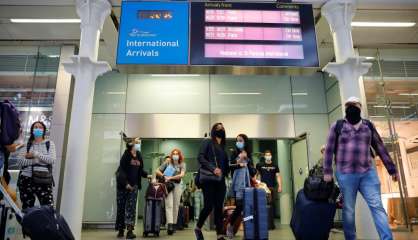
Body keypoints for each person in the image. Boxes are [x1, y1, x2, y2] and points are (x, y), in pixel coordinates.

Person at [323, 96, 399, 240]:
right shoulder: (337, 125)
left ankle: (387, 238)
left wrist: (392, 169)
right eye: (348, 105)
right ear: (345, 109)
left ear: (360, 107)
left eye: (354, 104)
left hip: (367, 173)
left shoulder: (368, 126)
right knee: (349, 210)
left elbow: (380, 147)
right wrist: (327, 171)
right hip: (345, 173)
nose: (351, 107)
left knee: (377, 207)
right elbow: (329, 149)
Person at [195, 123, 229, 240]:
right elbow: (200, 157)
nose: (221, 128)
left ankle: (219, 235)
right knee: (209, 206)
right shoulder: (208, 142)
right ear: (213, 130)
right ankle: (198, 227)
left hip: (220, 180)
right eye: (218, 127)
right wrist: (213, 168)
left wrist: (238, 163)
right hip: (208, 179)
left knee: (219, 207)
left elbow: (225, 166)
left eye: (222, 127)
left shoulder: (223, 146)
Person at [16, 121, 56, 209]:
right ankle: (28, 223)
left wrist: (35, 153)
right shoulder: (26, 145)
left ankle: (46, 223)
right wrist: (36, 161)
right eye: (35, 127)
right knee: (27, 208)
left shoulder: (49, 144)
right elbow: (19, 161)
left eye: (40, 127)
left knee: (48, 208)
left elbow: (51, 160)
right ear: (32, 130)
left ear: (44, 130)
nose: (38, 129)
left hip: (44, 179)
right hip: (26, 178)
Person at [115, 137, 149, 239]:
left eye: (140, 142)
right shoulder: (126, 155)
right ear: (132, 144)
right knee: (121, 208)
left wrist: (148, 175)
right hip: (123, 185)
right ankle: (121, 229)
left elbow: (140, 170)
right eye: (137, 143)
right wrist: (126, 184)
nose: (139, 144)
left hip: (134, 186)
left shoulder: (139, 155)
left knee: (131, 208)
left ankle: (129, 231)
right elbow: (121, 171)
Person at [226, 134, 256, 239]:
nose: (238, 142)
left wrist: (247, 158)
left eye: (241, 140)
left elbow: (252, 170)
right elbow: (230, 165)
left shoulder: (248, 154)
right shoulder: (234, 152)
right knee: (239, 206)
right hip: (237, 182)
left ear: (245, 142)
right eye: (237, 140)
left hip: (247, 181)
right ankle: (230, 226)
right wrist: (240, 158)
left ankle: (247, 231)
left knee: (247, 207)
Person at [156, 149, 186, 235]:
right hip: (168, 186)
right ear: (171, 155)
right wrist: (164, 176)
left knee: (175, 205)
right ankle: (169, 225)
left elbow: (182, 175)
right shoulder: (168, 162)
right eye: (174, 154)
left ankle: (174, 224)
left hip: (177, 186)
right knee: (169, 205)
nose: (175, 155)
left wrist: (171, 178)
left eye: (177, 154)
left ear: (179, 155)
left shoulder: (182, 164)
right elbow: (157, 171)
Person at [256, 149, 282, 229]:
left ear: (271, 156)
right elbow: (256, 175)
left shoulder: (275, 165)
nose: (268, 156)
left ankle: (270, 223)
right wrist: (256, 184)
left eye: (269, 155)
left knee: (271, 205)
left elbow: (278, 176)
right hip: (262, 188)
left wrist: (280, 186)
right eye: (266, 155)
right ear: (264, 156)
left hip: (271, 188)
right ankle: (263, 222)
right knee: (262, 205)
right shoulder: (260, 165)